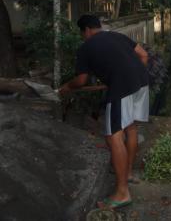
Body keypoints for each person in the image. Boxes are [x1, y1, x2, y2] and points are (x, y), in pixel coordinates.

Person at [59, 14, 149, 210]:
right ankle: (129, 174)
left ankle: (122, 193)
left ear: (86, 30)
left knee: (112, 136)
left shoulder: (86, 47)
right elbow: (143, 55)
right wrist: (131, 76)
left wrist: (66, 87)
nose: (84, 36)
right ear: (98, 26)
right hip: (142, 81)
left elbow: (81, 80)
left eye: (83, 33)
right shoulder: (117, 36)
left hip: (123, 87)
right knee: (131, 127)